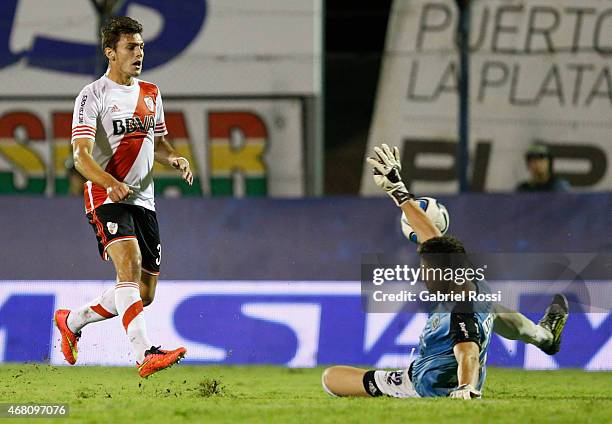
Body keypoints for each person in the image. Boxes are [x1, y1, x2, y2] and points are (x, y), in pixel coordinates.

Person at [321, 144, 569, 399]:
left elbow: (467, 350)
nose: (423, 274)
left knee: (331, 379)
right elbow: (432, 240)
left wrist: (466, 387)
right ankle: (544, 336)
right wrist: (398, 192)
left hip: (424, 385)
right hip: (419, 371)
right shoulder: (469, 278)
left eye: (427, 269)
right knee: (496, 311)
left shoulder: (461, 305)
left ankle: (543, 337)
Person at [54, 16, 194, 378]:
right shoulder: (92, 96)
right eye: (131, 47)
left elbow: (158, 141)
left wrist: (174, 157)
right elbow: (81, 156)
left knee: (143, 293)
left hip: (144, 200)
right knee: (127, 267)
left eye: (141, 47)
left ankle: (72, 321)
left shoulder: (151, 93)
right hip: (106, 195)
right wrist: (109, 182)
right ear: (110, 53)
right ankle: (144, 353)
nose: (139, 53)